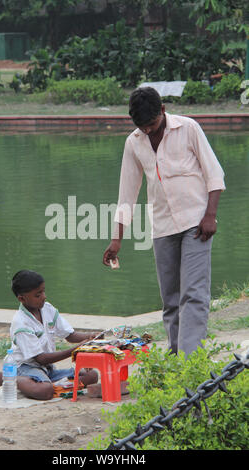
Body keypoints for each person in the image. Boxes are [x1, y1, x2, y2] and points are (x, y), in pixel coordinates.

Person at [103, 86, 226, 358]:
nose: (148, 131)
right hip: (162, 227)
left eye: (152, 124)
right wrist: (116, 239)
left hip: (197, 223)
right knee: (170, 299)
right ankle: (175, 356)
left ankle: (189, 360)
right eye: (142, 127)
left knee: (193, 295)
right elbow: (127, 193)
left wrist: (210, 215)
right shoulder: (133, 142)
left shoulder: (189, 128)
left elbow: (214, 173)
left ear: (163, 110)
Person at [0, 270, 98, 399]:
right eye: (38, 294)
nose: (44, 296)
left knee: (92, 376)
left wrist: (91, 336)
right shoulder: (21, 323)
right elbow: (41, 358)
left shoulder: (47, 309)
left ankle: (47, 382)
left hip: (47, 368)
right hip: (25, 367)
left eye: (43, 291)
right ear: (22, 299)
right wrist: (76, 350)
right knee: (45, 391)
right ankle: (5, 376)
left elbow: (70, 335)